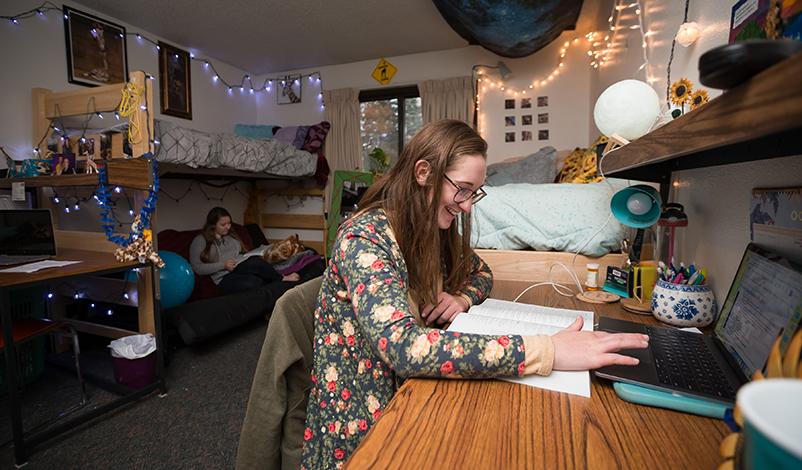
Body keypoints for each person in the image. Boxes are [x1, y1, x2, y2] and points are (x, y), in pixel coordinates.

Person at [301, 119, 649, 470]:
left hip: (407, 392)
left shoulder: (429, 227)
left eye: (475, 193)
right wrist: (548, 349)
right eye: (463, 189)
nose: (467, 206)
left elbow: (482, 272)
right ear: (423, 172)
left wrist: (462, 299)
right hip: (364, 421)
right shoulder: (365, 238)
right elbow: (404, 349)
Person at [189, 207, 299, 295]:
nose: (228, 227)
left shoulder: (230, 237)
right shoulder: (200, 241)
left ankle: (281, 278)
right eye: (223, 225)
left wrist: (258, 250)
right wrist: (223, 265)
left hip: (238, 266)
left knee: (255, 261)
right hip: (222, 276)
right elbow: (197, 267)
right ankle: (276, 284)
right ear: (212, 225)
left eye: (229, 223)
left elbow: (242, 254)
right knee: (254, 282)